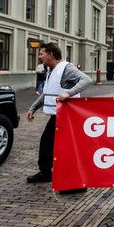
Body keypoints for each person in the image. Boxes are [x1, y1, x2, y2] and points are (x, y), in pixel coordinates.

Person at [26, 42, 93, 184]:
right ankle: (46, 172)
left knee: (61, 146)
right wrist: (33, 108)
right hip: (57, 115)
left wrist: (69, 93)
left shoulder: (66, 68)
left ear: (50, 54)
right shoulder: (51, 70)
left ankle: (75, 180)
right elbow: (48, 93)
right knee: (48, 144)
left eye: (42, 54)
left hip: (67, 115)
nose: (40, 57)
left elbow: (87, 80)